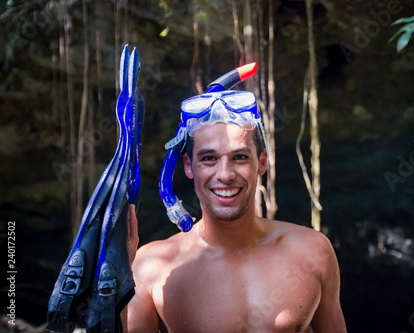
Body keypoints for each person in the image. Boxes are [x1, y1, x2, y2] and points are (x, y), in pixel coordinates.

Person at [122, 88, 347, 332]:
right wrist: (119, 275)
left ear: (262, 162)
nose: (225, 175)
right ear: (188, 166)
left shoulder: (312, 251)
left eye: (239, 157)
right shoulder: (151, 266)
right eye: (209, 159)